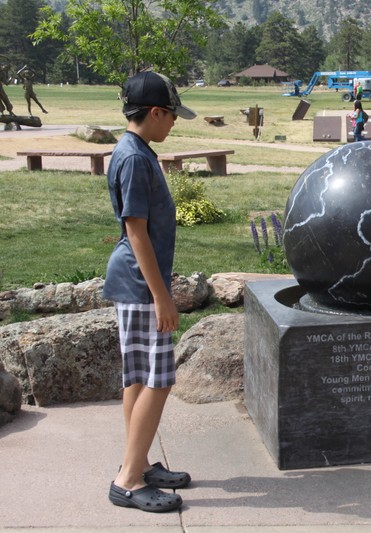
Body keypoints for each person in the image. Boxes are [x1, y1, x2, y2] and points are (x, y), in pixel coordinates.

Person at [103, 71, 197, 512]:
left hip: (134, 283)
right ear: (155, 112)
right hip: (142, 287)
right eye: (172, 115)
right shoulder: (137, 159)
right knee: (159, 380)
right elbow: (136, 231)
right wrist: (163, 296)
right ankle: (128, 480)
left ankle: (137, 463)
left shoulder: (131, 151)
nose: (174, 124)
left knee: (139, 378)